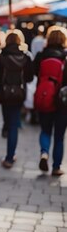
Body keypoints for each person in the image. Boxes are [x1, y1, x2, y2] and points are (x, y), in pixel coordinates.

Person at [0, 30, 34, 168]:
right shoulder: (26, 56)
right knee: (14, 124)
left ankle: (6, 130)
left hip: (4, 94)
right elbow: (29, 77)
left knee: (8, 120)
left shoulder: (0, 55)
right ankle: (10, 156)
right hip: (19, 94)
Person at [33, 26, 67, 176]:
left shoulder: (41, 55)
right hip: (62, 102)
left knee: (45, 130)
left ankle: (44, 153)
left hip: (45, 97)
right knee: (59, 136)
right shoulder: (66, 57)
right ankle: (56, 167)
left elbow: (33, 73)